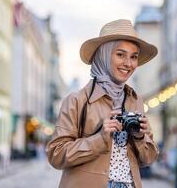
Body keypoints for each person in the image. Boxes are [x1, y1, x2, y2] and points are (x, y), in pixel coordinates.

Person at [46, 19, 159, 188]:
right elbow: (56, 154)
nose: (128, 64)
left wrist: (140, 137)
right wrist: (100, 139)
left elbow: (148, 158)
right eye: (120, 54)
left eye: (134, 57)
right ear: (104, 55)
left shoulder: (135, 100)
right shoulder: (77, 100)